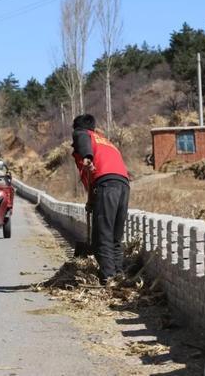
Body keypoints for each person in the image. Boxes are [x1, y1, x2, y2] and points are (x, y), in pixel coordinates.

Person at [71, 114, 130, 284]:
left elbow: (81, 140)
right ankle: (119, 275)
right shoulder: (105, 141)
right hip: (123, 185)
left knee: (101, 237)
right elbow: (93, 179)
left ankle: (108, 278)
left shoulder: (83, 134)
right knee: (114, 237)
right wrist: (90, 201)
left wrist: (87, 157)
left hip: (107, 186)